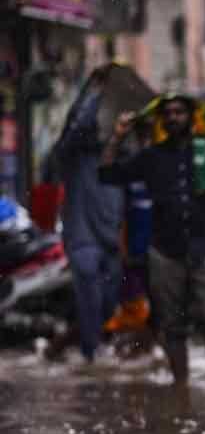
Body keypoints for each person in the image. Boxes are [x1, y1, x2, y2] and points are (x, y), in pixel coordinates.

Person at [99, 95, 205, 385]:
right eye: (168, 112)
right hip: (166, 252)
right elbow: (107, 173)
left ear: (191, 116)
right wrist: (117, 136)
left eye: (179, 111)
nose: (174, 116)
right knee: (172, 325)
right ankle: (181, 389)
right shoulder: (152, 156)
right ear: (162, 119)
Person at [49, 69, 124, 365]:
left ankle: (74, 343)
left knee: (107, 304)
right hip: (83, 237)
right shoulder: (72, 156)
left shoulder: (118, 156)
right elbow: (78, 128)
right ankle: (89, 357)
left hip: (110, 238)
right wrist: (97, 91)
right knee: (90, 298)